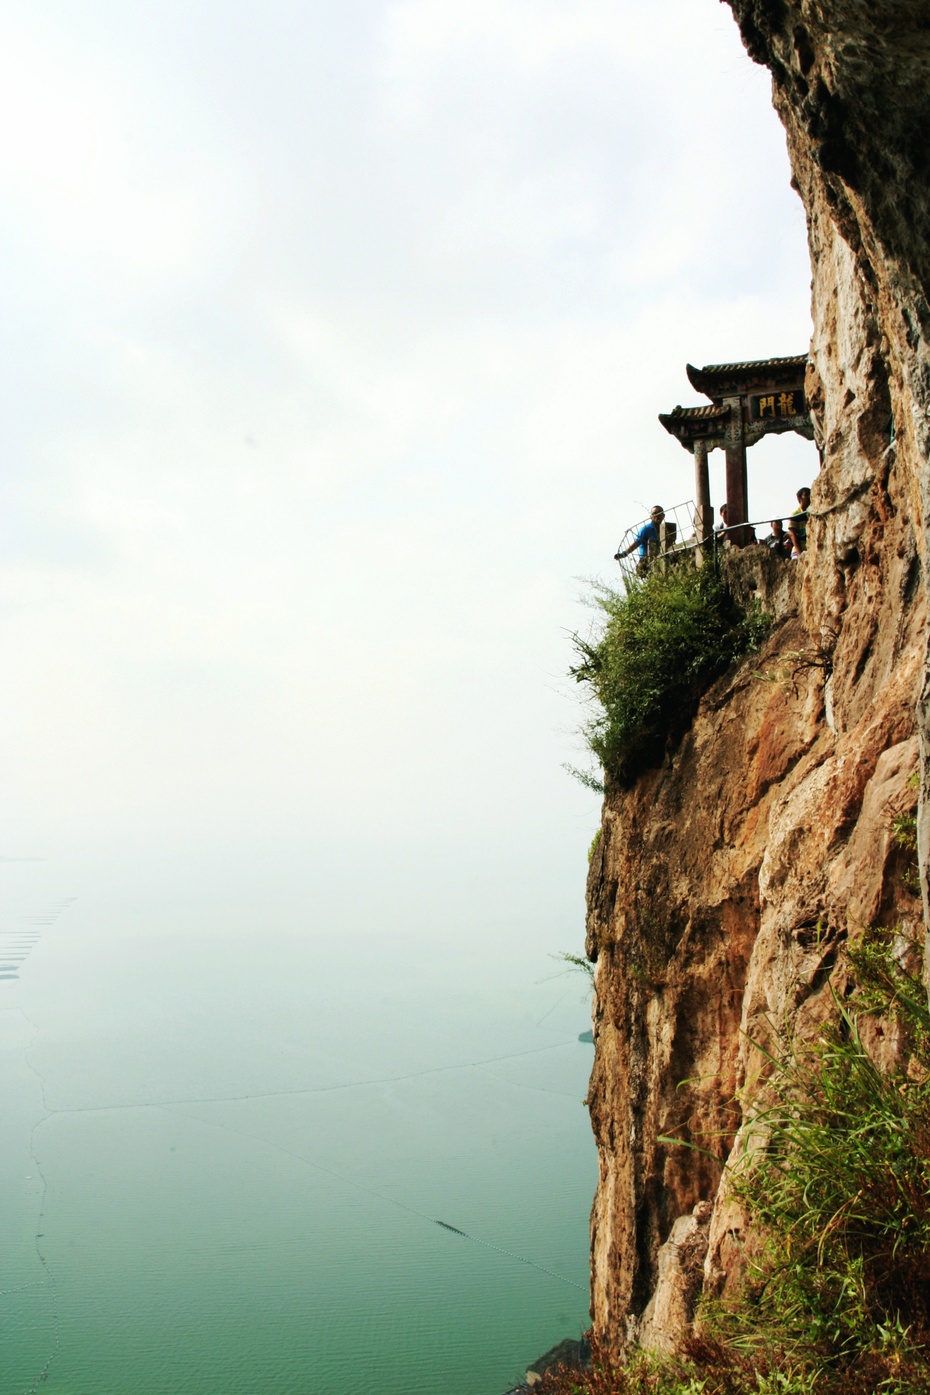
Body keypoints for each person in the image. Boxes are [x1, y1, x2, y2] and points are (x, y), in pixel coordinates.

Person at [615, 506, 666, 572]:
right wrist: (624, 553)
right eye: (654, 513)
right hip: (647, 559)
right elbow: (636, 543)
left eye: (660, 513)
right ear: (650, 516)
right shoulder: (646, 529)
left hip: (662, 556)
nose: (657, 515)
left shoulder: (665, 530)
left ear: (663, 516)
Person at [787, 487, 811, 557]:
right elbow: (792, 534)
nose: (808, 497)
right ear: (799, 498)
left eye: (810, 495)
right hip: (798, 552)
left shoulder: (812, 513)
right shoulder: (795, 514)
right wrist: (800, 553)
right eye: (806, 495)